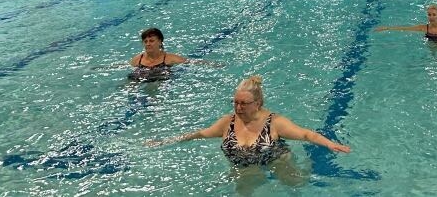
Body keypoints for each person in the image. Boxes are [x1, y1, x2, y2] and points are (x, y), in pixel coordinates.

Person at [146, 75, 350, 184]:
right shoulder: (227, 123)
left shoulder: (274, 122)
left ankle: (307, 165)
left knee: (294, 185)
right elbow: (199, 134)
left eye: (244, 103)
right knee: (244, 189)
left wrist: (330, 144)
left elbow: (306, 134)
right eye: (235, 102)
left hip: (276, 160)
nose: (238, 107)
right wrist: (165, 142)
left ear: (258, 102)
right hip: (243, 167)